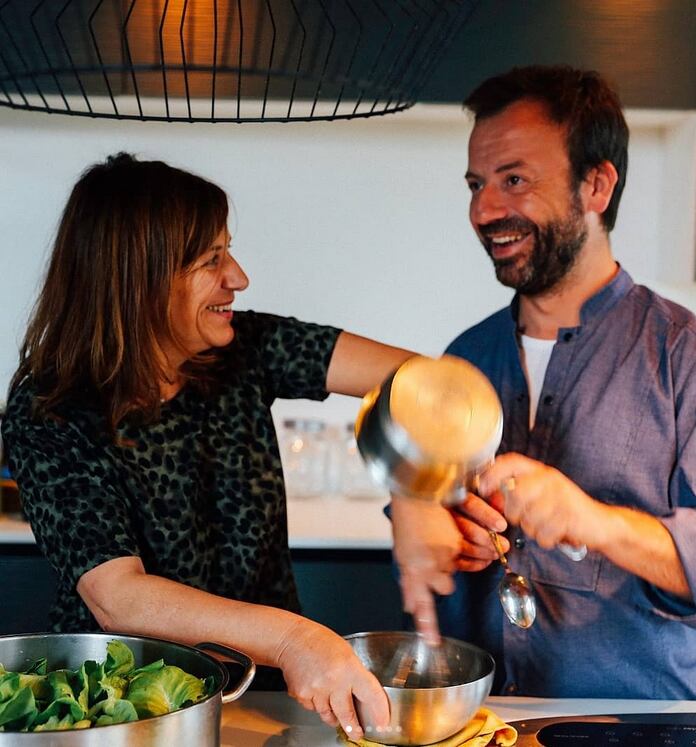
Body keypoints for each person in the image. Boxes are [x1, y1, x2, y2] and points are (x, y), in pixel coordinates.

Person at [1, 153, 415, 738]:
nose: (238, 277)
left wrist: (422, 498)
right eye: (210, 260)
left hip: (266, 702)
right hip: (131, 711)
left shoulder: (243, 348)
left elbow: (421, 383)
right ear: (138, 280)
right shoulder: (52, 409)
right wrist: (296, 637)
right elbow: (119, 597)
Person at [391, 65, 696, 699]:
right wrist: (430, 517)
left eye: (515, 180)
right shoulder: (465, 357)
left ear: (596, 184)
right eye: (477, 184)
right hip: (482, 724)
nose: (484, 209)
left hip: (636, 730)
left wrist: (595, 520)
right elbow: (411, 489)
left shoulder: (682, 355)